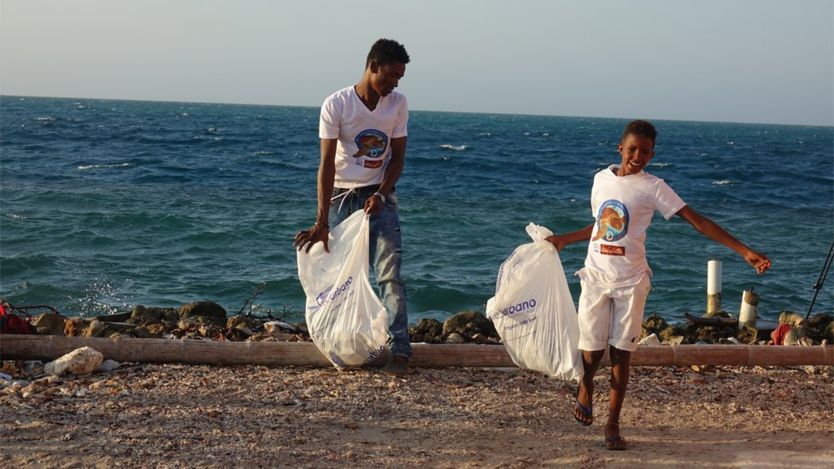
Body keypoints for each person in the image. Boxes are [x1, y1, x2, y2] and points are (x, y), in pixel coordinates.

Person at [546, 119, 771, 450]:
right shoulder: (601, 180)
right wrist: (565, 238)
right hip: (595, 276)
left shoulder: (654, 187)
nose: (638, 156)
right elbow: (600, 226)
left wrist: (744, 250)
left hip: (631, 281)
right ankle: (586, 385)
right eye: (632, 149)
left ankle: (612, 424)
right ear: (620, 148)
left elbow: (698, 221)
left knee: (622, 354)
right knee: (591, 351)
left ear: (652, 155)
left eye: (646, 152)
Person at [293, 38, 412, 374]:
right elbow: (326, 164)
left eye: (400, 77)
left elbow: (398, 157)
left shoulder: (398, 104)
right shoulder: (337, 104)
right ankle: (344, 343)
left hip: (380, 197)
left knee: (389, 274)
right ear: (373, 66)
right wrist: (321, 222)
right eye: (391, 75)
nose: (395, 83)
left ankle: (400, 351)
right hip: (342, 198)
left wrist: (381, 194)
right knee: (339, 276)